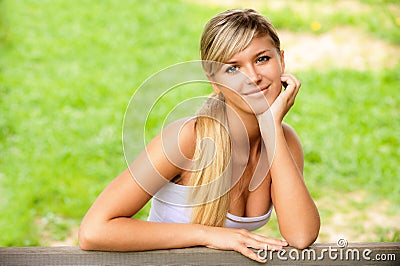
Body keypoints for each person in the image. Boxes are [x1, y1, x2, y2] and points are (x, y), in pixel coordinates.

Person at [79, 8, 320, 263]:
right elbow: (94, 230)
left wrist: (271, 129)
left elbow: (301, 236)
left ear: (281, 61)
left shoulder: (285, 141)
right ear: (214, 81)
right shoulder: (187, 140)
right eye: (232, 69)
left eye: (262, 59)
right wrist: (208, 235)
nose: (253, 77)